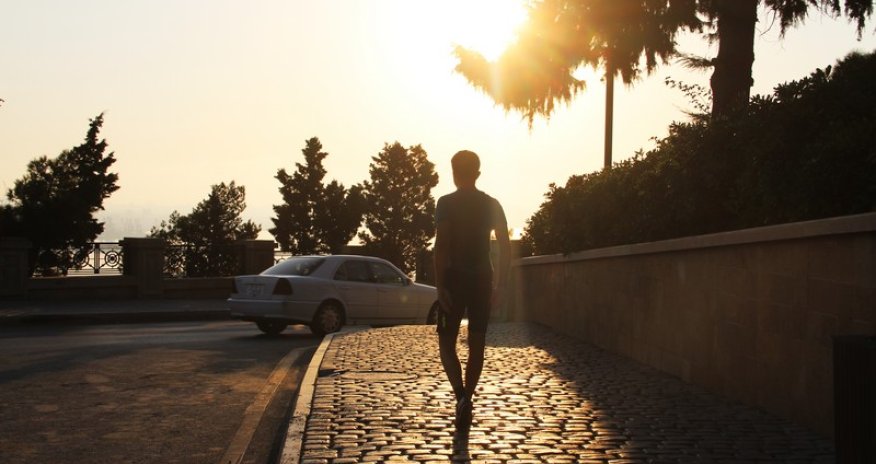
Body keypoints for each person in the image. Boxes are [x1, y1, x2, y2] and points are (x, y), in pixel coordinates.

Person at [433, 149, 510, 429]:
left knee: (446, 344)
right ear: (477, 173)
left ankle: (461, 397)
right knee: (477, 344)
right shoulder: (492, 204)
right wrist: (500, 285)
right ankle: (469, 397)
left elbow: (441, 246)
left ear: (453, 173)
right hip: (482, 280)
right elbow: (504, 246)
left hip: (453, 279)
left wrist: (440, 285)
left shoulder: (445, 203)